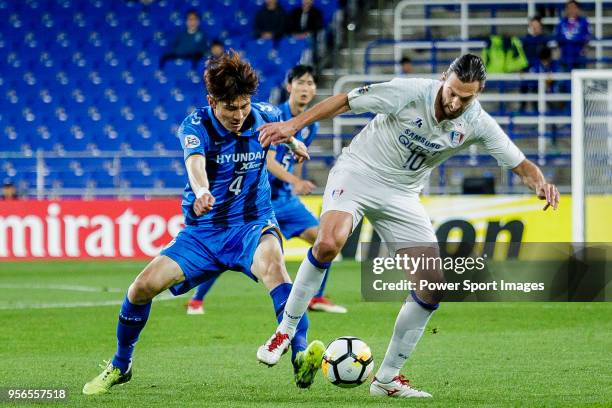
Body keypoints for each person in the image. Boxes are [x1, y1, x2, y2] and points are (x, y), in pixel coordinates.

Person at [256, 54, 560, 398]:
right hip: (358, 171)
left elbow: (519, 162)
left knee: (432, 286)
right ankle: (286, 329)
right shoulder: (409, 92)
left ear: (479, 93)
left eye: (467, 97)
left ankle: (387, 379)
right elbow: (345, 101)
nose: (456, 102)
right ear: (445, 77)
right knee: (328, 243)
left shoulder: (476, 122)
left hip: (402, 194)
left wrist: (539, 183)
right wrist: (292, 126)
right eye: (452, 92)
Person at [83, 51, 324, 395]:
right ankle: (121, 365)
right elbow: (195, 162)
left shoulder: (264, 115)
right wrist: (201, 190)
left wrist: (295, 141)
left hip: (252, 225)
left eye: (243, 106)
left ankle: (301, 356)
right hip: (204, 232)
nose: (239, 115)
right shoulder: (195, 126)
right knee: (141, 288)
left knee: (275, 268)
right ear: (212, 101)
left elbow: (281, 129)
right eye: (230, 108)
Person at [186, 65, 347, 315]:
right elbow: (270, 161)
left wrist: (296, 182)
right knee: (225, 252)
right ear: (289, 86)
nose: (306, 88)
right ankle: (197, 299)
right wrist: (295, 182)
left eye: (310, 84)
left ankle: (316, 297)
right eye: (301, 83)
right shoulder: (272, 115)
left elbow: (294, 159)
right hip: (255, 201)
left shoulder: (308, 125)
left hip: (284, 200)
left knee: (324, 240)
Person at [555, 0, 591, 71]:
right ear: (566, 10)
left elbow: (588, 37)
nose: (571, 10)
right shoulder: (561, 22)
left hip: (579, 58)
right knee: (561, 80)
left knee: (580, 79)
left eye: (574, 8)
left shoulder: (583, 22)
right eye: (569, 8)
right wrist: (559, 52)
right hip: (565, 57)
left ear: (578, 9)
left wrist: (584, 50)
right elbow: (557, 38)